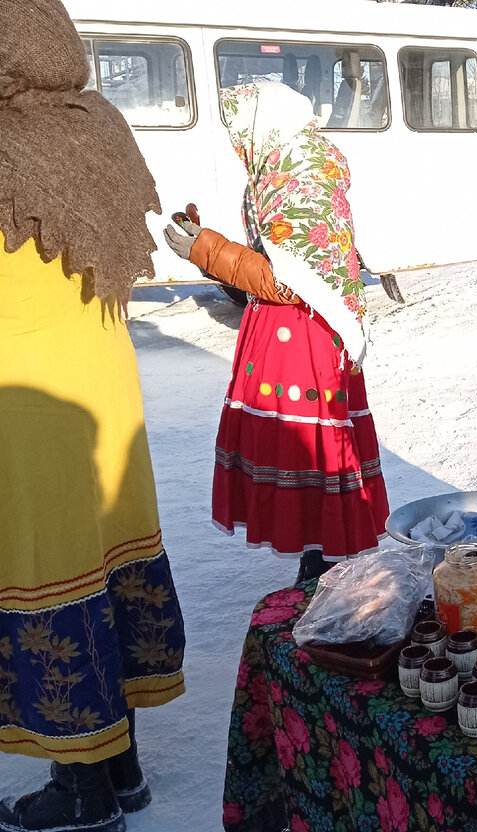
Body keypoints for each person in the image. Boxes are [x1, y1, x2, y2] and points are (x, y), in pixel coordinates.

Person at [0, 1, 187, 829]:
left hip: (31, 401)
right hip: (104, 384)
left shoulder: (7, 144)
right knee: (108, 559)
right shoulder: (97, 123)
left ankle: (79, 792)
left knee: (53, 566)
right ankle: (122, 768)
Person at [162, 82, 388, 582]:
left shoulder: (299, 176)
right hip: (291, 337)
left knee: (312, 456)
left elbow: (293, 282)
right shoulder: (282, 168)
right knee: (309, 465)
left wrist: (211, 250)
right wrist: (210, 251)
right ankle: (323, 568)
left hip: (305, 342)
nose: (239, 143)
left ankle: (330, 580)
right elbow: (278, 264)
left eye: (240, 131)